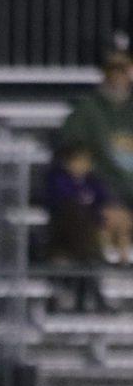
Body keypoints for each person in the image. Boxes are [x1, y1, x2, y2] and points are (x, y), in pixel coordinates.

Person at [59, 49, 133, 261]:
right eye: (113, 70)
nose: (119, 76)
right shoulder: (88, 110)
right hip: (100, 194)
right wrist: (103, 198)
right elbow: (73, 155)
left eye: (124, 70)